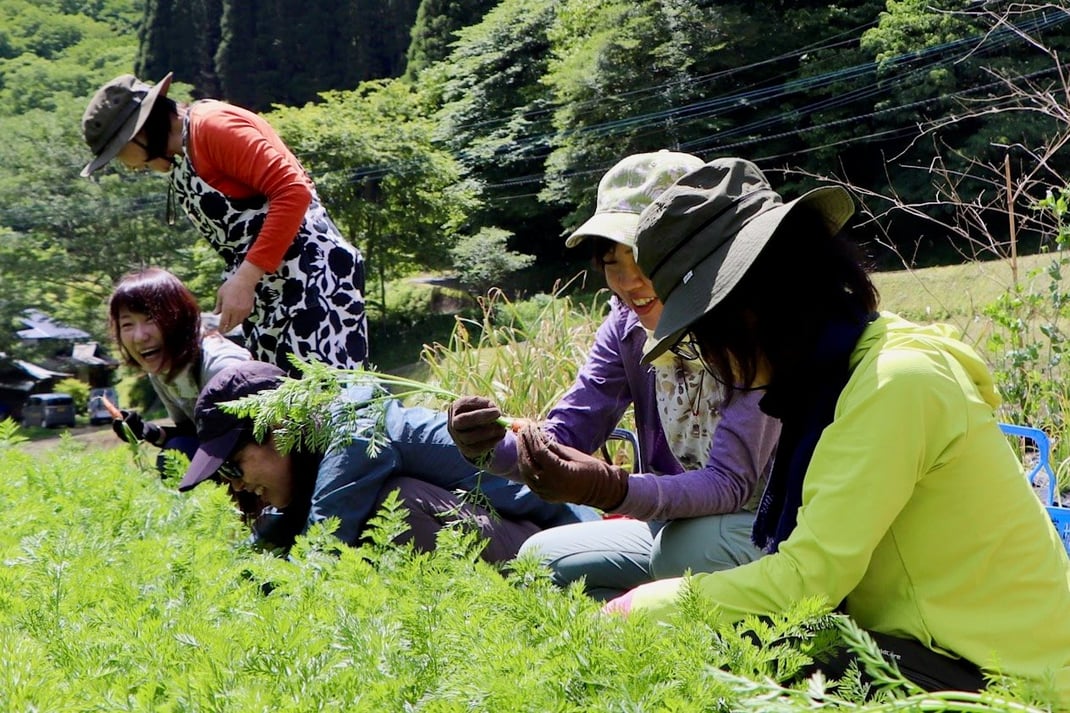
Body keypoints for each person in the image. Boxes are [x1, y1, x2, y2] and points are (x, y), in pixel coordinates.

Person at [587, 157, 1070, 698]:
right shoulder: (837, 375)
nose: (715, 362)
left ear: (750, 311)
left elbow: (808, 579)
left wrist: (640, 608)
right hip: (930, 646)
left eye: (702, 338)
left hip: (1010, 679)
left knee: (741, 676)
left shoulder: (895, 383)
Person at [447, 151, 781, 600]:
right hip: (676, 527)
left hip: (771, 526)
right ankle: (641, 647)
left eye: (644, 255)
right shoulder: (625, 328)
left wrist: (613, 487)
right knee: (539, 561)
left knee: (685, 552)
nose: (630, 281)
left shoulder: (751, 329)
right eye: (612, 260)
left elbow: (731, 483)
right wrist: (491, 447)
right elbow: (567, 434)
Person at [80, 73, 368, 375]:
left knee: (331, 408)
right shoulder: (180, 155)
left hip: (314, 282)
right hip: (271, 296)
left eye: (118, 153)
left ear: (139, 130)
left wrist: (245, 279)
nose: (126, 165)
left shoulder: (212, 126)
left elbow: (292, 190)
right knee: (286, 416)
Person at [177, 361, 599, 562]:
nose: (233, 485)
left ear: (281, 429)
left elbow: (321, 550)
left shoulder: (353, 436)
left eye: (233, 466)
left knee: (397, 503)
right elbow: (284, 530)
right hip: (526, 533)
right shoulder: (320, 443)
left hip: (565, 539)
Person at [108, 267, 251, 466]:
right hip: (227, 457)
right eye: (127, 325)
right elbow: (192, 434)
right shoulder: (163, 371)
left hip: (257, 464)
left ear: (180, 317)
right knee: (175, 454)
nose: (140, 337)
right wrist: (147, 432)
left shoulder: (223, 371)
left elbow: (258, 444)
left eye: (151, 319)